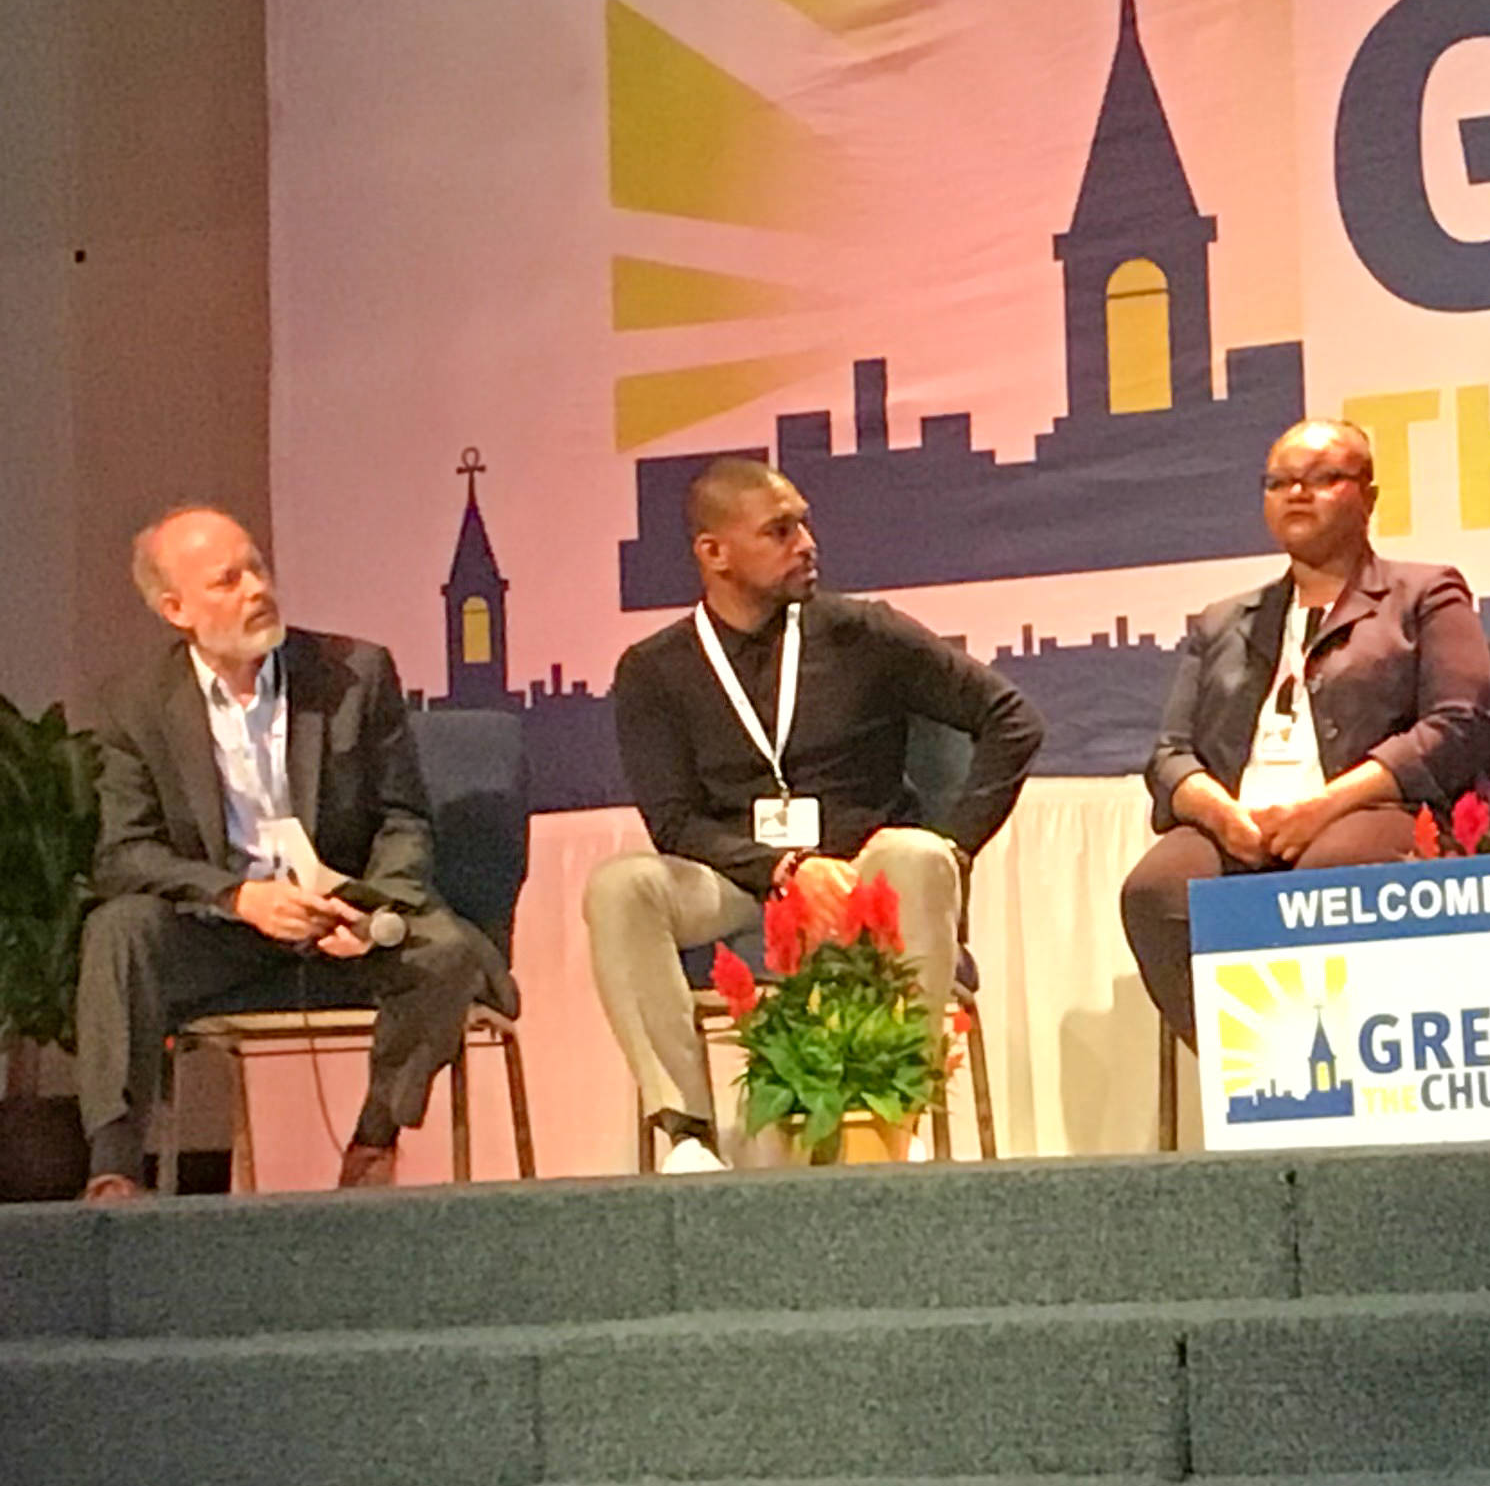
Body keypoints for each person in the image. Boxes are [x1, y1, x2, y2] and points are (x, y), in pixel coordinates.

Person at [588, 458, 1042, 1167]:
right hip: (743, 885)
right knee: (619, 888)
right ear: (714, 554)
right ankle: (686, 1135)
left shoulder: (866, 633)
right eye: (779, 530)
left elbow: (1011, 719)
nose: (806, 541)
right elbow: (674, 824)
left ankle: (902, 1107)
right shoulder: (654, 670)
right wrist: (784, 870)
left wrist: (954, 846)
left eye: (804, 521)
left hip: (867, 874)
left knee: (919, 857)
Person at [76, 505, 514, 1196]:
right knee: (118, 932)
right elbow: (125, 854)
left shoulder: (353, 674)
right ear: (175, 608)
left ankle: (375, 1141)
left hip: (345, 919)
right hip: (226, 928)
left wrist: (366, 905)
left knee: (445, 952)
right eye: (227, 581)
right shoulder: (136, 704)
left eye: (258, 568)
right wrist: (238, 898)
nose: (256, 589)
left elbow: (403, 819)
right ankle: (114, 1170)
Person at [1121, 418, 1490, 1042]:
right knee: (1156, 891)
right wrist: (1219, 815)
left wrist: (1324, 806)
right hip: (1242, 822)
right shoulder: (1223, 621)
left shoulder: (1424, 593)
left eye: (1322, 478)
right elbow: (1170, 756)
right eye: (1280, 482)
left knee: (1328, 876)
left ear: (1368, 497)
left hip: (1371, 808)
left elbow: (1458, 725)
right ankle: (1252, 1074)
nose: (1298, 493)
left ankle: (1350, 1079)